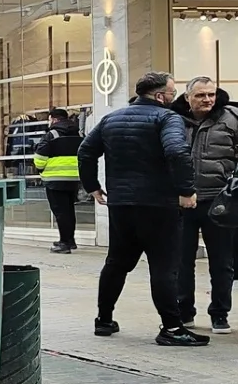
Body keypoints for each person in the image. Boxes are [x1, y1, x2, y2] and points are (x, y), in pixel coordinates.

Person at [79, 71, 207, 346]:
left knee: (117, 263)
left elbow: (86, 151)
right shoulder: (166, 118)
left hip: (122, 204)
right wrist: (186, 191)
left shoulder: (111, 119)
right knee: (163, 266)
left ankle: (104, 319)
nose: (174, 99)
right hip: (158, 205)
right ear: (160, 96)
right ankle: (172, 328)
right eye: (172, 94)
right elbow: (176, 152)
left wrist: (92, 186)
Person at [172, 76, 238, 333]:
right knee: (181, 260)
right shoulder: (172, 119)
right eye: (201, 95)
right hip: (181, 200)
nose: (207, 100)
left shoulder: (231, 117)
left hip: (220, 201)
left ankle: (220, 314)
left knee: (222, 261)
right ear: (187, 97)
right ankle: (184, 311)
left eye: (211, 94)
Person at [33, 108, 83, 254]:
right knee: (69, 210)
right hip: (74, 178)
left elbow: (40, 158)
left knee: (61, 212)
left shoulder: (52, 135)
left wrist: (41, 170)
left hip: (55, 179)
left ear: (53, 119)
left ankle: (64, 243)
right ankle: (70, 240)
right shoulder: (79, 133)